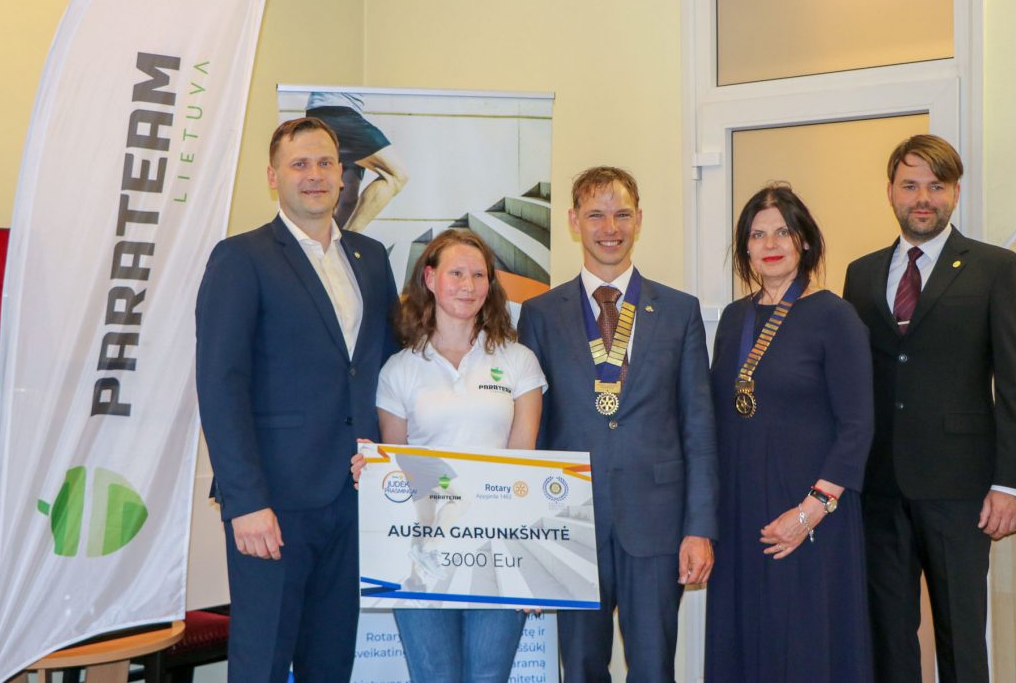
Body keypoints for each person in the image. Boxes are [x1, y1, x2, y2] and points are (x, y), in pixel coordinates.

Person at [195, 117, 398, 682]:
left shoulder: (371, 258)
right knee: (261, 663)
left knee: (331, 663)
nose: (315, 175)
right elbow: (220, 384)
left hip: (354, 497)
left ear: (343, 174)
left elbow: (387, 366)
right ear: (273, 176)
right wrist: (245, 501)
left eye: (325, 163)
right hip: (273, 503)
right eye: (299, 164)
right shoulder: (241, 258)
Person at [842, 135, 1016, 683]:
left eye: (936, 186)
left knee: (961, 637)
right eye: (910, 185)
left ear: (955, 193)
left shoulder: (996, 268)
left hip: (961, 490)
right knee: (888, 637)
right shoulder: (860, 274)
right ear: (890, 192)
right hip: (878, 488)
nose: (923, 198)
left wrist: (1012, 484)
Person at [517, 166, 719, 682]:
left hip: (656, 522)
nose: (610, 228)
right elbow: (531, 430)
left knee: (653, 668)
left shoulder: (679, 311)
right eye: (596, 215)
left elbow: (698, 428)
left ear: (639, 220)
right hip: (569, 521)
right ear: (573, 221)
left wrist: (699, 528)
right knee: (581, 667)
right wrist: (529, 530)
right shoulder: (540, 314)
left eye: (622, 214)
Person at [352, 228, 546, 683]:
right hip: (423, 555)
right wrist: (374, 472)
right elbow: (398, 467)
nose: (468, 285)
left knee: (489, 677)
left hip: (498, 552)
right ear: (430, 278)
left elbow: (525, 468)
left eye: (479, 275)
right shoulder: (399, 370)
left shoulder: (518, 361)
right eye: (456, 273)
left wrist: (530, 566)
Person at [704, 184, 874, 682]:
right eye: (758, 235)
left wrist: (810, 511)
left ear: (805, 241)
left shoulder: (834, 317)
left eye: (783, 231)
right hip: (741, 515)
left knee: (802, 646)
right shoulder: (733, 319)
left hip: (812, 515)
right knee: (744, 642)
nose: (771, 244)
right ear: (745, 247)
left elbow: (858, 426)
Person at [306, 91, 409, 232]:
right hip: (338, 114)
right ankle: (351, 239)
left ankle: (335, 242)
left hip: (319, 116)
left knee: (348, 200)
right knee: (397, 175)